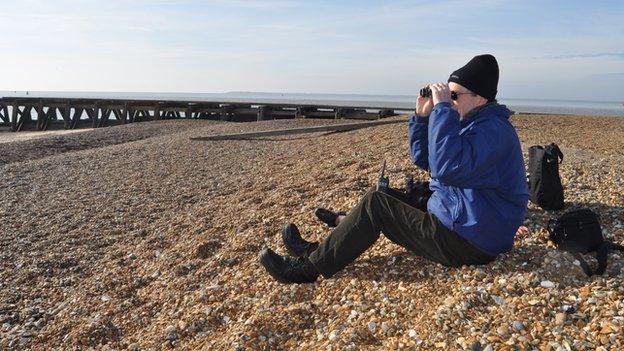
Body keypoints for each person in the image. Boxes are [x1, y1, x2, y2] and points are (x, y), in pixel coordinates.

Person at [259, 54, 529, 284]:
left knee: (377, 205)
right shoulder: (473, 123)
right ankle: (317, 251)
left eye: (454, 95)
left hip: (470, 242)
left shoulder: (495, 132)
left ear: (480, 98)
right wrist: (422, 119)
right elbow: (427, 161)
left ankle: (308, 270)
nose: (448, 100)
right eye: (448, 95)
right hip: (461, 221)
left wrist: (443, 109)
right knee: (379, 196)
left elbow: (447, 169)